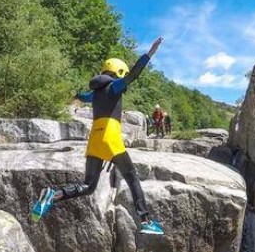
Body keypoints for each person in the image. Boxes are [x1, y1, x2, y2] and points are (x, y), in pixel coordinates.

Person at [31, 38, 165, 235]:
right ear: (119, 72)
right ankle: (146, 220)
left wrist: (73, 95)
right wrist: (150, 53)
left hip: (94, 138)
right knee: (132, 177)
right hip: (110, 136)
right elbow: (134, 75)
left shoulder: (95, 94)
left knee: (88, 186)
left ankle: (52, 195)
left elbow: (81, 97)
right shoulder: (115, 86)